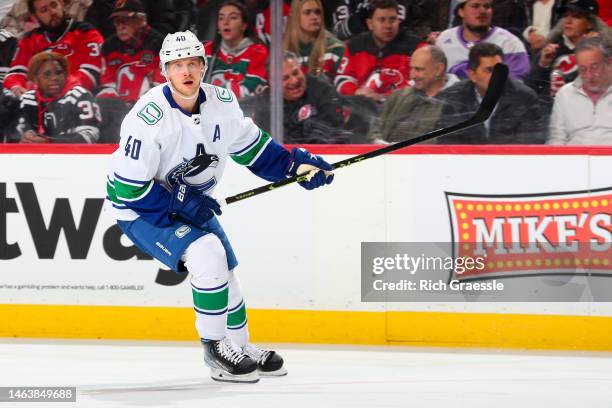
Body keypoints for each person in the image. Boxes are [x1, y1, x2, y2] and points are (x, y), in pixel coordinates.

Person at [104, 31, 334, 383]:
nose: (186, 71)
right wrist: (177, 206)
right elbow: (127, 189)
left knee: (225, 272)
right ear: (165, 70)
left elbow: (252, 149)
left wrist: (295, 167)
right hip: (140, 209)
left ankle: (239, 347)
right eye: (177, 64)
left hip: (190, 203)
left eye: (192, 63)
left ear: (203, 66)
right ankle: (215, 352)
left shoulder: (222, 102)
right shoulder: (146, 119)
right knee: (208, 254)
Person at [436, 42, 546, 144]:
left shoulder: (525, 98)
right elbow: (448, 143)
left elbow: (530, 143)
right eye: (489, 70)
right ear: (472, 75)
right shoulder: (453, 98)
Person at [242, 50, 350, 144]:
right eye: (285, 78)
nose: (294, 80)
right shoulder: (265, 104)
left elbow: (335, 128)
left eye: (296, 72)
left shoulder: (322, 89)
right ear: (272, 83)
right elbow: (271, 142)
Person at [4, 0, 104, 98]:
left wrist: (55, 88)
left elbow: (91, 73)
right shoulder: (29, 39)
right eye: (44, 10)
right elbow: (16, 72)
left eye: (54, 5)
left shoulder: (86, 32)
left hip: (74, 98)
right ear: (35, 17)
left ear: (62, 3)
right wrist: (16, 86)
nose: (52, 12)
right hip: (35, 100)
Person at [368, 45, 460, 143]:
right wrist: (377, 141)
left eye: (418, 69)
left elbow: (447, 140)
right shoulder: (398, 96)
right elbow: (375, 127)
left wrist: (405, 150)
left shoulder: (458, 103)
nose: (412, 75)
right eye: (411, 69)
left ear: (438, 69)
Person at [334, 0, 423, 102]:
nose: (388, 26)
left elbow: (421, 82)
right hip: (361, 109)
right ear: (370, 24)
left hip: (402, 111)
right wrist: (356, 92)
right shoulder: (354, 46)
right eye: (382, 20)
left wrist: (384, 97)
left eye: (392, 19)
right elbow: (342, 79)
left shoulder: (417, 47)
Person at [525, 0, 611, 103]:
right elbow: (530, 89)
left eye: (576, 17)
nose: (568, 21)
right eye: (565, 16)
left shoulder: (603, 51)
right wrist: (543, 65)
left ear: (590, 24)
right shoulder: (549, 49)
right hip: (548, 109)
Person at [14, 51, 101, 143]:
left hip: (73, 155)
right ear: (35, 79)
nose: (54, 78)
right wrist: (22, 139)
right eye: (47, 74)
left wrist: (49, 143)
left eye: (59, 73)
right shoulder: (27, 99)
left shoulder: (80, 96)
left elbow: (90, 137)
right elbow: (15, 133)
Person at [435, 0, 530, 79]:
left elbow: (516, 87)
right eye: (475, 6)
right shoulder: (444, 39)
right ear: (461, 11)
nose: (482, 11)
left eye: (487, 6)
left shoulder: (510, 43)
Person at [98, 0, 165, 105]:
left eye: (125, 20)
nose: (120, 26)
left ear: (141, 20)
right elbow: (108, 85)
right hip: (119, 109)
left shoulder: (161, 45)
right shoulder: (109, 46)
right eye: (117, 21)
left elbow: (161, 87)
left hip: (151, 107)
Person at [547, 36, 612, 144]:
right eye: (583, 69)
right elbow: (556, 139)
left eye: (594, 67)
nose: (589, 75)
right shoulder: (565, 94)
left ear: (609, 63)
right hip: (573, 158)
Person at [203, 0, 268, 99]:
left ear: (244, 25)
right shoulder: (206, 50)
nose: (226, 22)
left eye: (233, 17)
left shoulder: (258, 52)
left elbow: (253, 89)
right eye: (221, 18)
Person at [283, 0, 345, 82]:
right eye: (307, 12)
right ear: (294, 16)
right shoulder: (281, 52)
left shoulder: (336, 49)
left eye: (317, 12)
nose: (314, 17)